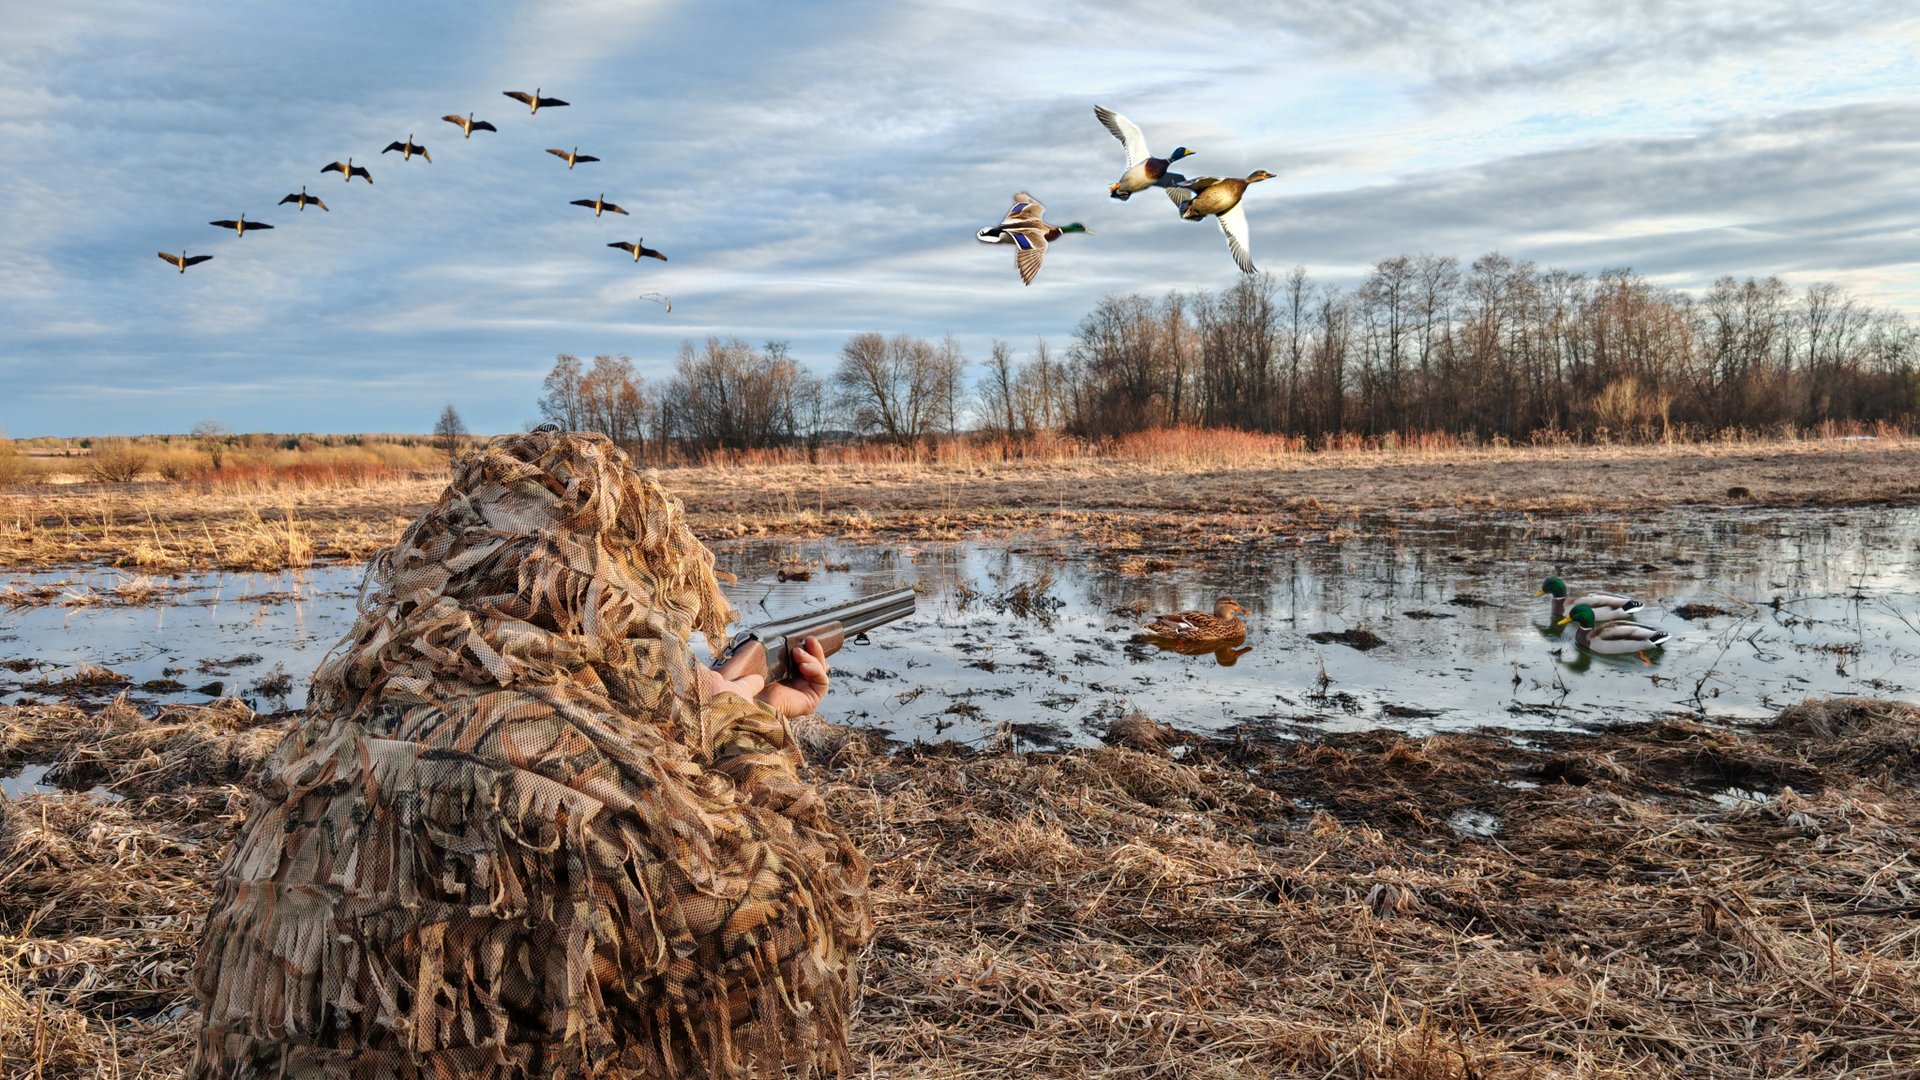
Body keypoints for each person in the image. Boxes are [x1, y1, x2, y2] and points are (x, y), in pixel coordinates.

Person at [188, 429, 872, 1078]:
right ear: (611, 586)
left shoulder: (319, 746)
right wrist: (737, 728)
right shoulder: (598, 788)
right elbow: (799, 932)